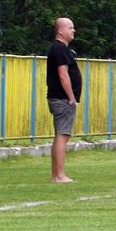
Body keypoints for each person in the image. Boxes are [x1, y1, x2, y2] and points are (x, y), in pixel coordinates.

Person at [47, 17, 81, 183]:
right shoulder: (59, 49)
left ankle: (56, 175)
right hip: (62, 98)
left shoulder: (59, 49)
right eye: (70, 27)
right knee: (62, 135)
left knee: (61, 135)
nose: (73, 30)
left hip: (59, 97)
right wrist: (71, 97)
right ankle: (59, 175)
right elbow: (63, 74)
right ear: (60, 31)